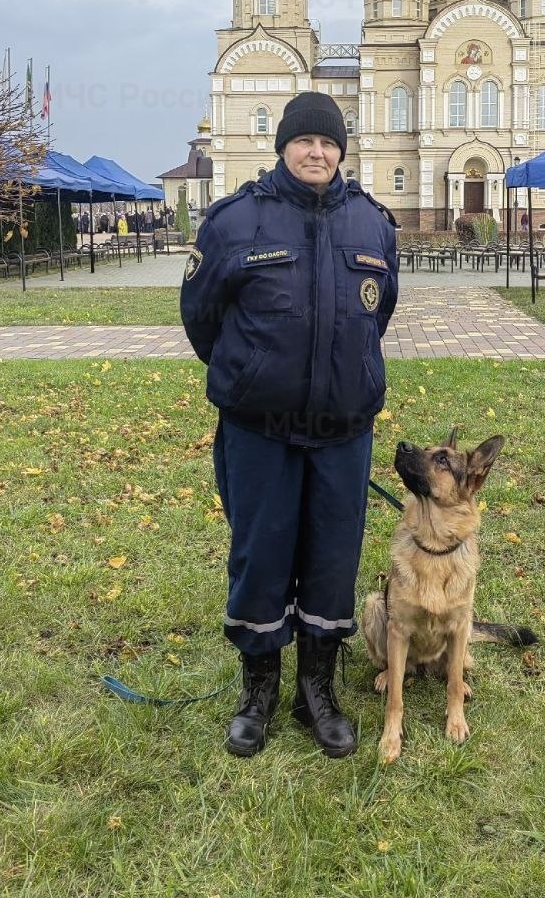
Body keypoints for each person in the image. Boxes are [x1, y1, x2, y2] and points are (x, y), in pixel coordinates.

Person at [180, 92, 399, 759]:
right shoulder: (234, 222)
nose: (318, 153)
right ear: (283, 146)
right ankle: (258, 691)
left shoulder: (373, 224)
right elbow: (201, 318)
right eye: (305, 141)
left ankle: (317, 693)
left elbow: (378, 311)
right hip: (260, 431)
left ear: (341, 150)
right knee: (261, 559)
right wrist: (253, 378)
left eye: (329, 143)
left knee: (332, 562)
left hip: (342, 432)